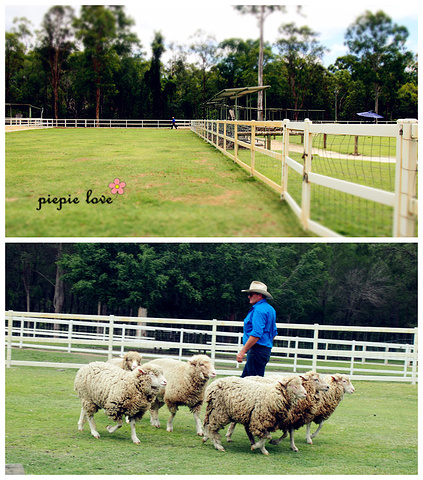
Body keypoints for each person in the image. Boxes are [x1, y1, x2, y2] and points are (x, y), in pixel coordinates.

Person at [236, 281, 277, 377]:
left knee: (252, 385)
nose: (248, 297)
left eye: (251, 294)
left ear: (259, 295)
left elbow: (256, 333)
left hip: (257, 350)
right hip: (263, 350)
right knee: (245, 381)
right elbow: (274, 333)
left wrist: (243, 351)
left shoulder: (258, 310)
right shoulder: (270, 309)